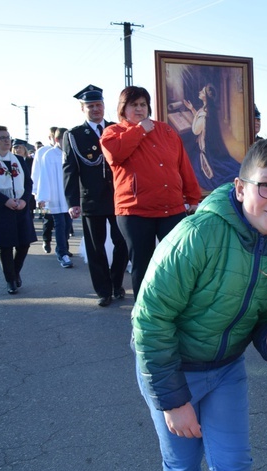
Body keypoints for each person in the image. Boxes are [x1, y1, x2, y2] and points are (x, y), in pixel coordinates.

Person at [134, 138, 267, 471]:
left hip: (226, 370)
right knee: (182, 465)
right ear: (241, 189)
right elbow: (150, 319)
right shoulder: (197, 235)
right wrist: (173, 400)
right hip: (173, 367)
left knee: (233, 467)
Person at [101, 86, 202, 300]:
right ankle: (144, 314)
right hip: (135, 211)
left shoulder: (165, 130)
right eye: (134, 105)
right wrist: (139, 130)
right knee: (143, 264)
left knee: (174, 262)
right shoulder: (113, 132)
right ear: (123, 108)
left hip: (172, 208)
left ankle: (173, 308)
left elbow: (182, 165)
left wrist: (192, 197)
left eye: (143, 105)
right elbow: (115, 155)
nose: (139, 109)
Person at [63, 84, 129, 307]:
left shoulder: (116, 128)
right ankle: (103, 290)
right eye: (90, 106)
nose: (96, 109)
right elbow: (70, 170)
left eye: (98, 105)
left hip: (119, 197)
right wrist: (72, 202)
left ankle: (116, 282)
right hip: (91, 199)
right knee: (95, 246)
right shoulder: (74, 135)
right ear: (83, 109)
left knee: (122, 242)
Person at [0, 126, 38, 294]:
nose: (6, 141)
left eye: (8, 137)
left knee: (24, 243)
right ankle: (10, 279)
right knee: (6, 245)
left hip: (20, 207)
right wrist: (5, 201)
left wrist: (25, 201)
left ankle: (15, 271)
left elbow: (28, 183)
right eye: (2, 138)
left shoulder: (18, 160)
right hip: (0, 209)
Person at [183, 83, 241, 191]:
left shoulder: (204, 113)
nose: (200, 92)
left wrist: (194, 119)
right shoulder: (207, 109)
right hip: (210, 146)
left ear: (206, 96)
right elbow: (200, 118)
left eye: (202, 91)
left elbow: (195, 131)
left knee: (194, 165)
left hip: (205, 149)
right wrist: (192, 109)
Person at [35, 127, 74, 269]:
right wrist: (43, 197)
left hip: (68, 198)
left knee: (68, 225)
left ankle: (63, 248)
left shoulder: (70, 153)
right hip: (55, 197)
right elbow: (44, 177)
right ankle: (61, 253)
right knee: (60, 224)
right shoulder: (49, 155)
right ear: (57, 140)